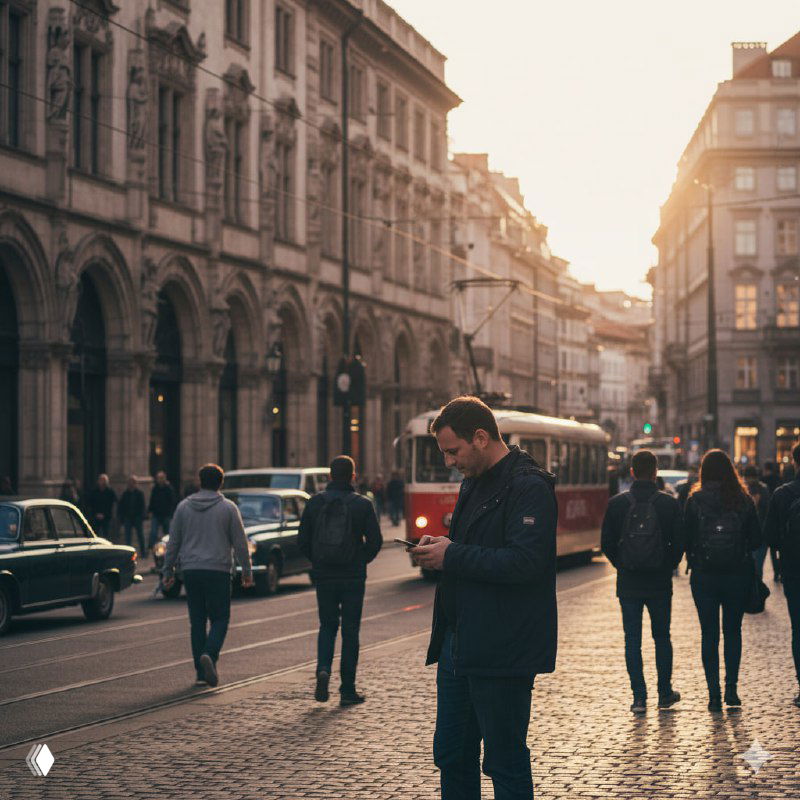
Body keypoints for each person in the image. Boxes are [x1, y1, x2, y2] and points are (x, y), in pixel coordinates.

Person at [412, 396, 557, 800]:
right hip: (460, 643)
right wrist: (443, 546)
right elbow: (471, 548)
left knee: (504, 760)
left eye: (452, 451)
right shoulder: (471, 483)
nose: (449, 462)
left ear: (480, 438)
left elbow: (527, 562)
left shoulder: (529, 486)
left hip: (504, 647)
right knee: (452, 754)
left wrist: (451, 554)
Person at [600, 449, 684, 714]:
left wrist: (622, 564)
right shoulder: (668, 503)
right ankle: (664, 693)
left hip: (628, 583)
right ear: (655, 471)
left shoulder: (617, 504)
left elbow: (606, 544)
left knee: (632, 639)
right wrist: (666, 565)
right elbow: (680, 544)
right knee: (662, 637)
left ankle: (639, 697)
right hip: (659, 582)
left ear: (632, 472)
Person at [298, 455, 382, 707]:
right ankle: (347, 689)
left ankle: (323, 669)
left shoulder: (315, 503)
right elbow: (375, 542)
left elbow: (302, 541)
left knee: (327, 626)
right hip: (353, 576)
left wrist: (318, 561)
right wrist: (359, 560)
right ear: (353, 476)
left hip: (325, 575)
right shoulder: (362, 505)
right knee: (351, 630)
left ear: (330, 476)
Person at [162, 463, 253, 687]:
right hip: (218, 570)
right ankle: (209, 655)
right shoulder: (229, 508)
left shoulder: (183, 507)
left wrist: (168, 569)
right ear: (221, 483)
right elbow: (240, 543)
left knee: (197, 621)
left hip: (191, 571)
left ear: (199, 482)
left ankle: (201, 674)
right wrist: (246, 571)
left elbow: (173, 541)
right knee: (220, 618)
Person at [684, 449, 762, 711]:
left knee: (709, 635)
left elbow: (686, 538)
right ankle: (732, 689)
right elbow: (756, 539)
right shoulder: (742, 500)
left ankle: (713, 694)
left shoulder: (695, 500)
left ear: (703, 472)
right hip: (736, 575)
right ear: (731, 470)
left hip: (704, 576)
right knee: (732, 632)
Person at [764, 442, 800, 708]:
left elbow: (770, 537)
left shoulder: (782, 494)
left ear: (794, 462)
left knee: (798, 629)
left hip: (794, 569)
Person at [743, 465, 770, 581]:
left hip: (747, 534)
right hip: (762, 533)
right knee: (758, 568)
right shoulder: (764, 489)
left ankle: (753, 592)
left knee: (751, 567)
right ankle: (757, 593)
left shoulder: (743, 490)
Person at [148, 470, 176, 555]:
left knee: (167, 534)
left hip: (166, 514)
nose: (160, 480)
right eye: (158, 478)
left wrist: (171, 513)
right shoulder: (155, 488)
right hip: (156, 514)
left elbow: (172, 501)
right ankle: (152, 549)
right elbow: (152, 500)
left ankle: (169, 550)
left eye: (161, 478)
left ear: (164, 478)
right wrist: (150, 511)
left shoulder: (169, 488)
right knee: (153, 533)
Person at [118, 475, 146, 555]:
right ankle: (128, 553)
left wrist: (141, 516)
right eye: (130, 482)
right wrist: (122, 516)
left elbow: (142, 505)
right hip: (128, 517)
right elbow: (122, 505)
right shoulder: (125, 493)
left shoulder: (140, 493)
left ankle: (143, 552)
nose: (131, 484)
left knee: (140, 535)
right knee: (128, 537)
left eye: (133, 482)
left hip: (137, 517)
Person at [86, 473, 117, 539]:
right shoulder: (94, 491)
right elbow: (91, 503)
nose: (102, 482)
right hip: (96, 516)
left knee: (107, 535)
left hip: (107, 517)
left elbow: (112, 504)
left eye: (104, 481)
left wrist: (105, 514)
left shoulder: (110, 492)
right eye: (101, 480)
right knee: (95, 535)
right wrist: (95, 514)